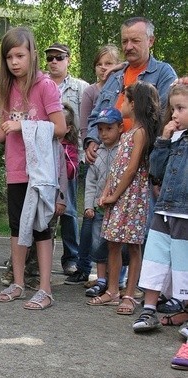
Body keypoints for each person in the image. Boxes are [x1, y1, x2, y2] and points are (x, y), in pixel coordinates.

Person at [0, 27, 66, 309]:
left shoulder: (46, 86)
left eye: (20, 55)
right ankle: (18, 283)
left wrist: (24, 125)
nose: (14, 62)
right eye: (9, 57)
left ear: (32, 54)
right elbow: (4, 130)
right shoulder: (8, 88)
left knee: (42, 229)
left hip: (40, 172)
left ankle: (45, 288)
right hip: (16, 170)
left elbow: (61, 128)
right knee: (17, 227)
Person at [87, 81, 160, 314]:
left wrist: (115, 194)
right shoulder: (127, 133)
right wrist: (107, 190)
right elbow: (117, 166)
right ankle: (112, 291)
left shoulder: (140, 133)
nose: (121, 103)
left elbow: (131, 169)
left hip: (132, 199)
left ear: (134, 104)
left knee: (133, 245)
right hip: (117, 198)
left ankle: (129, 294)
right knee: (113, 243)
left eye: (124, 99)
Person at [131, 81, 188, 370]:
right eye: (172, 108)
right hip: (164, 211)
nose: (174, 114)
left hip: (185, 215)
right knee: (154, 261)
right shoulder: (173, 139)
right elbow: (156, 171)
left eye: (181, 108)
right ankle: (149, 309)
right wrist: (164, 141)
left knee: (183, 266)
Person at [85, 16, 177, 165]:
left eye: (135, 41)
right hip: (107, 156)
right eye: (124, 41)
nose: (128, 47)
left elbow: (164, 118)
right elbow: (96, 114)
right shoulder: (114, 77)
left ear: (151, 41)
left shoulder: (163, 73)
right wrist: (92, 139)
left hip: (143, 160)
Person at [66, 44, 122, 286]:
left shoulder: (122, 87)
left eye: (108, 63)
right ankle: (84, 267)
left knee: (116, 225)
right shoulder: (90, 91)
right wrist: (89, 143)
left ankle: (116, 277)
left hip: (118, 154)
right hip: (96, 153)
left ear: (117, 65)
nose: (103, 68)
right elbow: (86, 122)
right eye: (100, 64)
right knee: (90, 220)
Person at [45, 42, 89, 277]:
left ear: (68, 59)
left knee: (69, 209)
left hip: (70, 158)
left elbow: (87, 121)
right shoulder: (40, 85)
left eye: (58, 57)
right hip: (45, 157)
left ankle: (71, 257)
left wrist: (82, 154)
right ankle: (34, 255)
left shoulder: (81, 87)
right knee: (41, 209)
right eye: (50, 57)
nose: (53, 61)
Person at [82, 108, 123, 298]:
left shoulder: (124, 150)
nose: (104, 133)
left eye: (109, 128)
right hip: (100, 207)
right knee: (98, 243)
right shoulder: (96, 153)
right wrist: (88, 205)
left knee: (119, 244)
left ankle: (119, 279)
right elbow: (90, 182)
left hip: (120, 207)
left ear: (120, 128)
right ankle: (100, 280)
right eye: (100, 129)